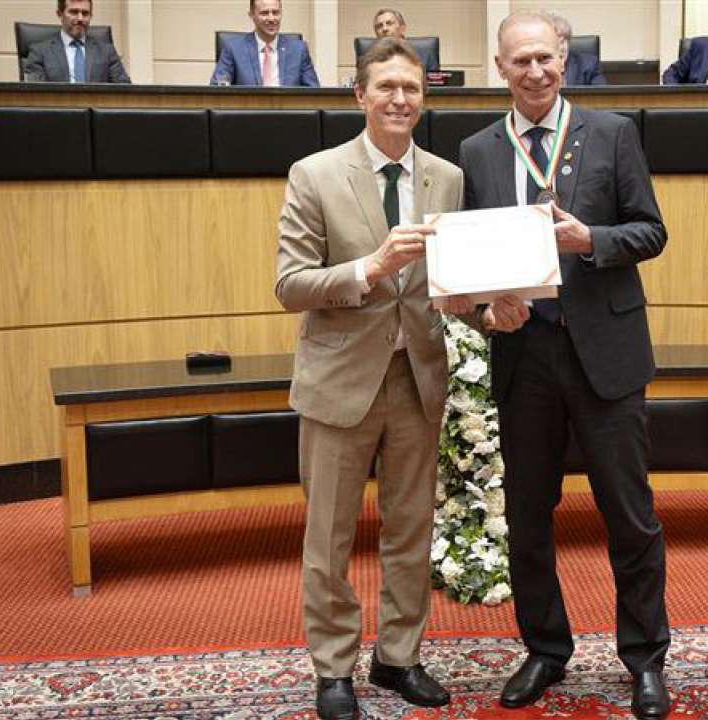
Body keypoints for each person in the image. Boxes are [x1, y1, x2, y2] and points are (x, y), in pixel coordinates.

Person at [457, 10, 671, 719]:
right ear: (500, 68)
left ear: (564, 58)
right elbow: (469, 265)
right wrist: (488, 309)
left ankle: (645, 659)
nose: (535, 71)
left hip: (606, 353)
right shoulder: (478, 151)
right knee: (528, 517)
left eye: (545, 57)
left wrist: (591, 240)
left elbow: (651, 232)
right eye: (520, 60)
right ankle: (546, 650)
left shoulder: (613, 132)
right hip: (525, 357)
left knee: (630, 517)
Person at [275, 37, 462, 720]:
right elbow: (290, 284)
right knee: (329, 538)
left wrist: (492, 304)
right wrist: (370, 267)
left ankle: (398, 657)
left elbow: (451, 282)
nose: (398, 99)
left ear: (424, 98)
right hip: (339, 382)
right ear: (360, 95)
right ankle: (333, 668)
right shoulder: (314, 174)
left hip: (417, 378)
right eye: (385, 86)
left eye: (410, 88)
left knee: (411, 530)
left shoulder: (447, 178)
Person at [212, 0, 319, 86]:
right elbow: (218, 90)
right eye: (264, 13)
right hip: (248, 106)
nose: (271, 18)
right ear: (251, 15)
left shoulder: (299, 50)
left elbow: (314, 93)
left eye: (275, 12)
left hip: (289, 107)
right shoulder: (233, 48)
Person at [23, 0, 130, 83]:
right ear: (60, 14)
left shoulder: (107, 52)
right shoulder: (39, 52)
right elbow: (34, 92)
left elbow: (124, 89)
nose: (80, 18)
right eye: (74, 12)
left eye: (85, 13)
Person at [372, 7, 439, 72]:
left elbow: (433, 79)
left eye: (389, 23)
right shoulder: (370, 59)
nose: (384, 29)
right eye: (379, 26)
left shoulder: (425, 56)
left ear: (402, 28)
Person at [549, 12, 606, 86]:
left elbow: (600, 91)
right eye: (553, 42)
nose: (559, 47)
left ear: (568, 41)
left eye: (562, 41)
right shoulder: (537, 66)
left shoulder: (589, 64)